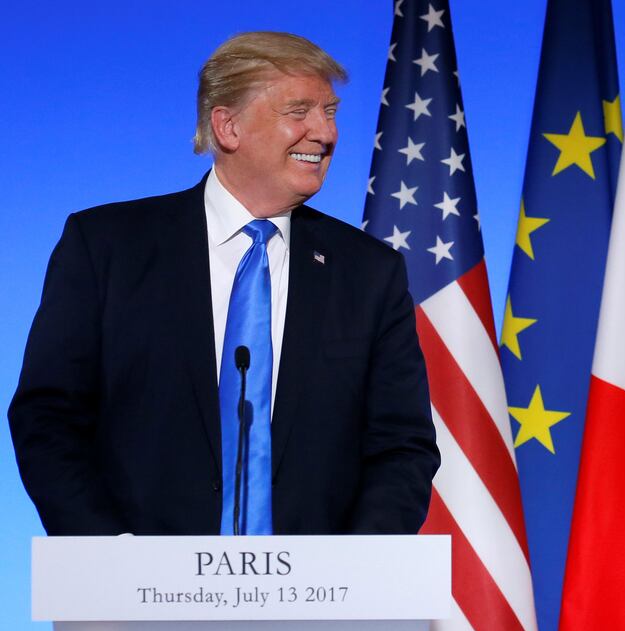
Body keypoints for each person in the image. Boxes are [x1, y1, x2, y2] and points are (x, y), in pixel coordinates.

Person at [9, 32, 438, 536]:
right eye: (299, 111)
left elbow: (401, 446)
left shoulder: (368, 272)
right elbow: (49, 417)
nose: (325, 133)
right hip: (135, 577)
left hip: (318, 583)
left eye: (330, 112)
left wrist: (354, 565)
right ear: (228, 126)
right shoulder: (107, 248)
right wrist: (109, 554)